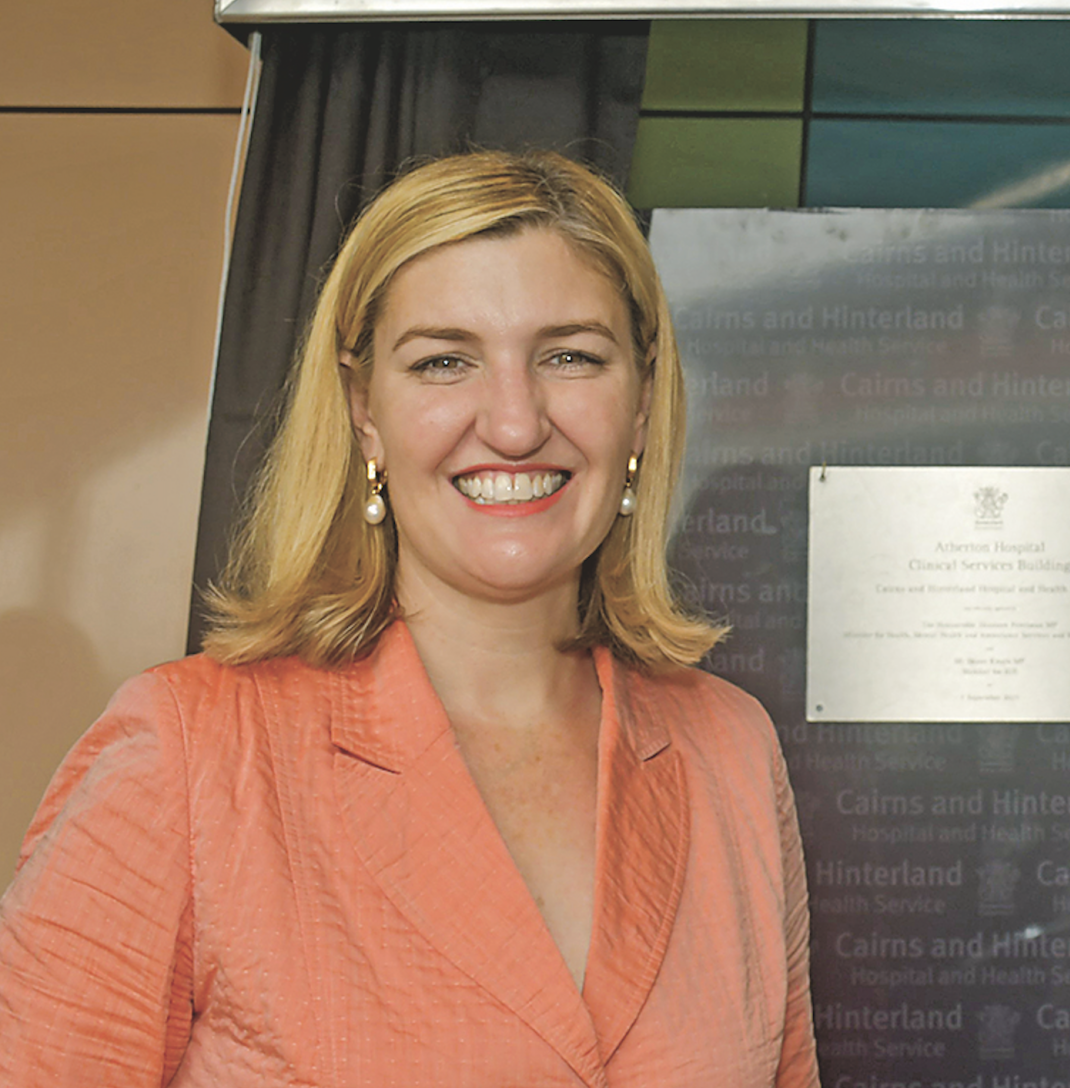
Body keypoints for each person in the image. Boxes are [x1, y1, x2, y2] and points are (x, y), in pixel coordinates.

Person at [0, 151, 819, 1085]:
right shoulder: (190, 756)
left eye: (570, 356)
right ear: (364, 414)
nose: (514, 422)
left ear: (639, 406)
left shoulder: (731, 752)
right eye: (443, 360)